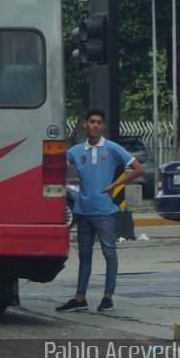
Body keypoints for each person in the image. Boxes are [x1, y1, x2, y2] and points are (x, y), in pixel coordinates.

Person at [56, 109, 145, 313]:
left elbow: (139, 169)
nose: (95, 125)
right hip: (83, 210)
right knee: (84, 255)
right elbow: (55, 165)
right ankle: (80, 298)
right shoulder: (76, 151)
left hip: (105, 211)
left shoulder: (112, 148)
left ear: (103, 126)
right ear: (85, 124)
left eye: (99, 122)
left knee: (109, 253)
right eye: (91, 122)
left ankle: (108, 297)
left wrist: (115, 185)